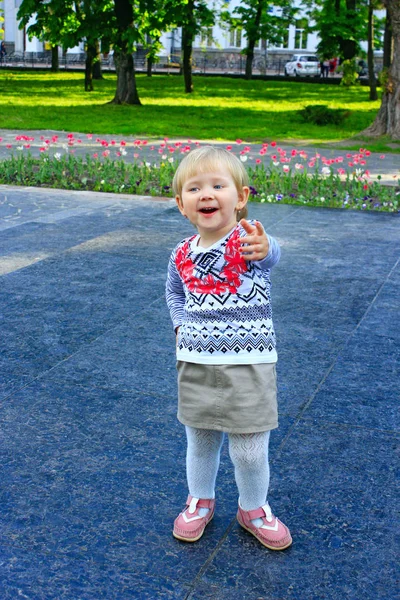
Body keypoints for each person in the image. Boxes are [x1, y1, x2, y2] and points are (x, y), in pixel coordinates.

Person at [165, 146, 292, 551]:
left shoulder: (247, 241)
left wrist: (265, 245)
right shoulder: (182, 253)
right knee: (200, 440)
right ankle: (200, 499)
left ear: (240, 198)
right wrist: (181, 324)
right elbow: (173, 292)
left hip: (249, 362)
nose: (207, 194)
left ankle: (253, 507)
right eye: (195, 188)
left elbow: (272, 255)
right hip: (196, 360)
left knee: (250, 450)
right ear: (181, 204)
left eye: (218, 186)